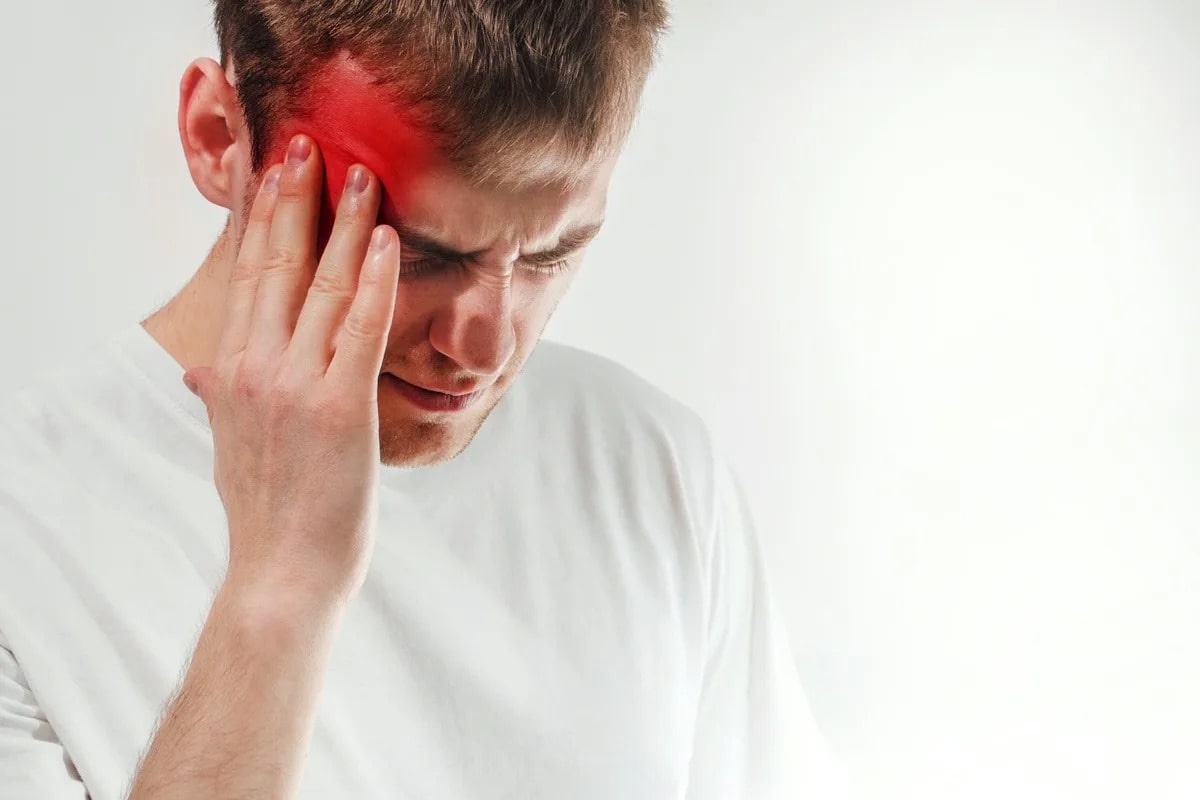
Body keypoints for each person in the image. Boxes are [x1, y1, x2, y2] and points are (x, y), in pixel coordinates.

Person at [0, 2, 848, 798]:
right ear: (220, 138)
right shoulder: (27, 530)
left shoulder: (649, 467)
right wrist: (280, 588)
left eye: (550, 256)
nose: (487, 348)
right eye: (416, 253)